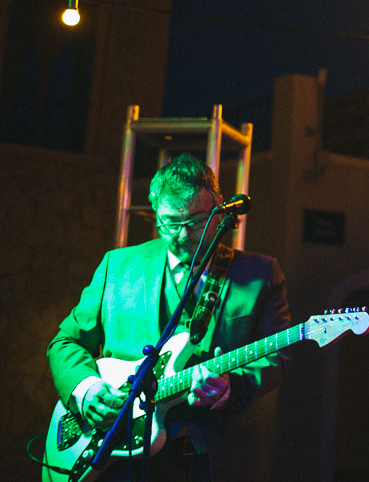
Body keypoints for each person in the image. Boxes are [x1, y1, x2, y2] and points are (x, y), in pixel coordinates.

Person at [47, 153, 291, 481]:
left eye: (195, 221)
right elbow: (66, 341)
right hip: (123, 456)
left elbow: (278, 355)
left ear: (219, 208)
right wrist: (87, 388)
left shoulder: (261, 273)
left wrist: (232, 385)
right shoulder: (117, 267)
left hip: (216, 455)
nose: (181, 235)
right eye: (169, 223)